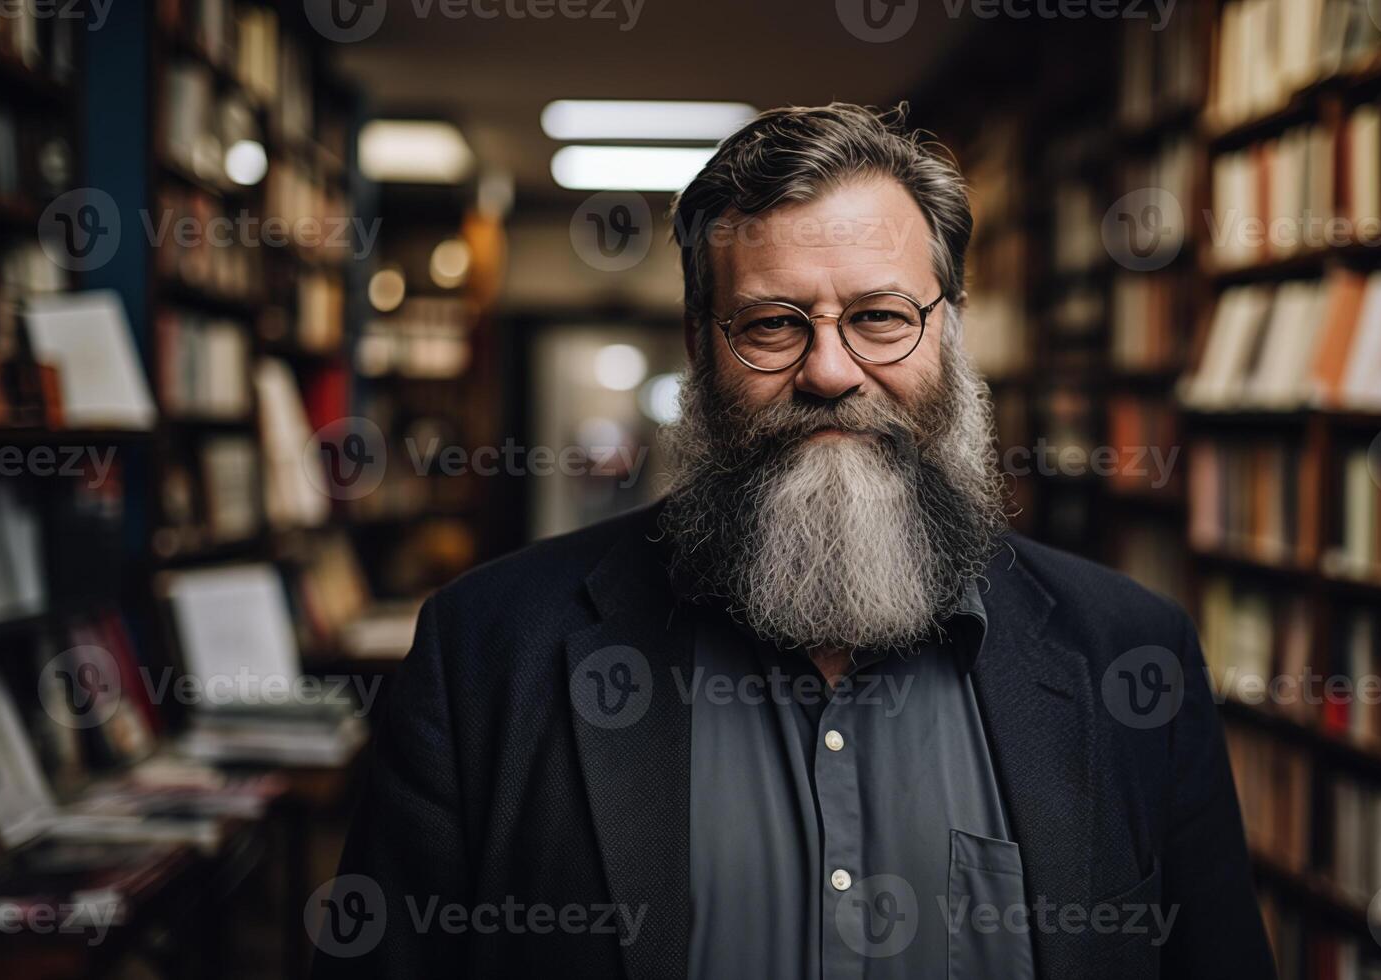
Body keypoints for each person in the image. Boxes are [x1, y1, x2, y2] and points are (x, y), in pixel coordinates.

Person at [316, 103, 1275, 980]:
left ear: (948, 334)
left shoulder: (1131, 656)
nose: (829, 369)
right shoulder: (485, 654)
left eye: (880, 318)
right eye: (771, 325)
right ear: (699, 348)